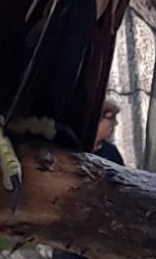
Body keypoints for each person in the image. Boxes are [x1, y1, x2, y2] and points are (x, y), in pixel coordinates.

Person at [52, 98, 125, 259]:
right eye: (110, 119)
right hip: (70, 230)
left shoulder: (111, 153)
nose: (115, 125)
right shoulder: (74, 148)